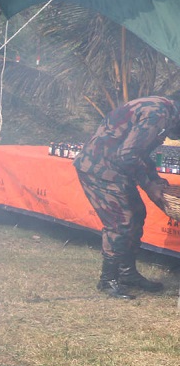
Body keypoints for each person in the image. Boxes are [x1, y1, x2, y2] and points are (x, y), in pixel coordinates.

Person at [74, 94, 180, 299]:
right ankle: (108, 279)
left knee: (137, 214)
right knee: (121, 222)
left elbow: (140, 153)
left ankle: (127, 273)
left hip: (116, 169)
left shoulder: (159, 106)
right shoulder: (158, 114)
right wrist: (149, 185)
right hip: (100, 169)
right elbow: (128, 155)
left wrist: (155, 179)